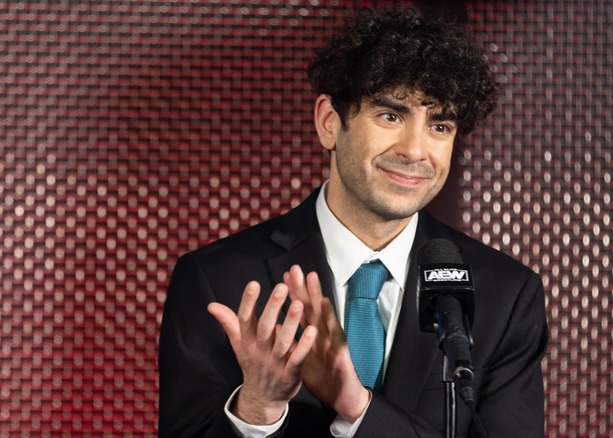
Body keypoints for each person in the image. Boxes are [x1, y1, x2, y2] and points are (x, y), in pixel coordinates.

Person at [158, 5, 548, 437]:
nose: (416, 151)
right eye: (391, 116)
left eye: (440, 126)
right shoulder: (218, 279)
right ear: (329, 123)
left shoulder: (506, 295)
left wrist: (358, 408)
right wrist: (257, 407)